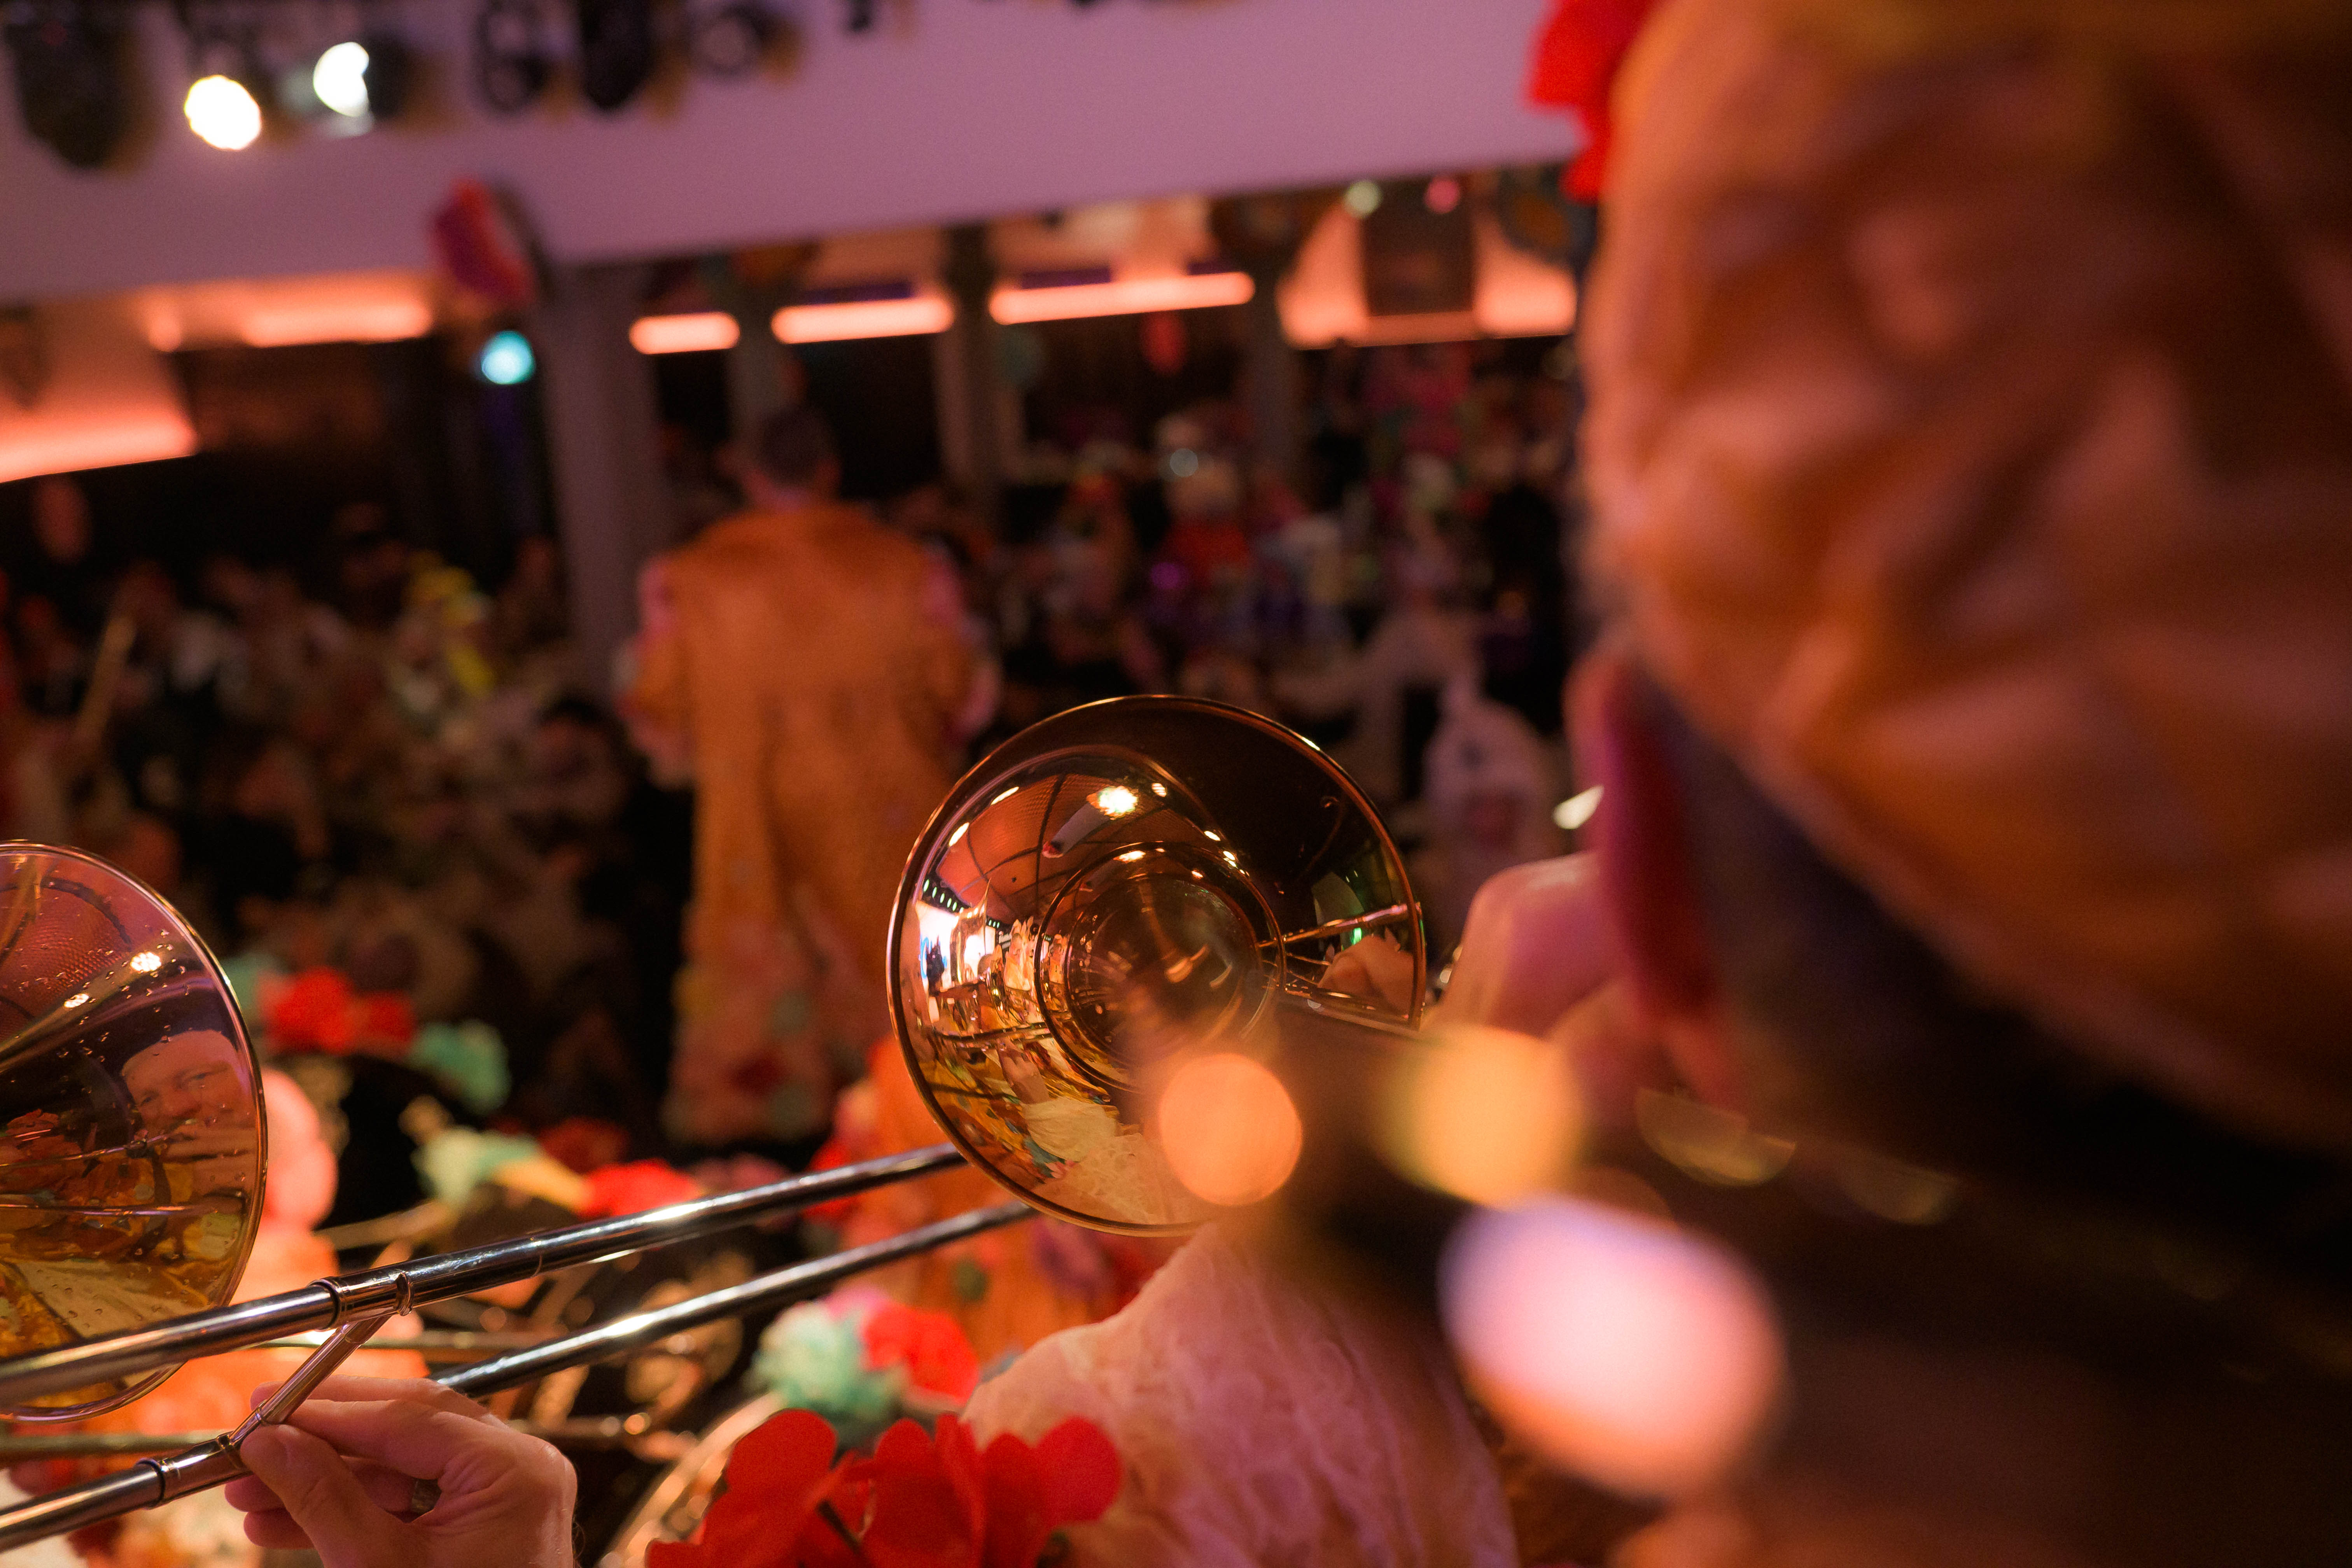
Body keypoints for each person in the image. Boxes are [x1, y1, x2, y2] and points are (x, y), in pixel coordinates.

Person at [232, 0, 2352, 1561]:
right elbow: (959, 678)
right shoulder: (904, 582)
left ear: (1646, 861)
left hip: (813, 882)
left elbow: (658, 724)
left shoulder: (1328, 1401)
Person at [621, 405, 976, 1145]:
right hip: (887, 816)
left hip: (761, 822)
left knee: (786, 997)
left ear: (751, 477)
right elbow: (957, 692)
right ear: (828, 471)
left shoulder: (693, 580)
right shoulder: (906, 566)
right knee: (907, 1001)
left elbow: (659, 706)